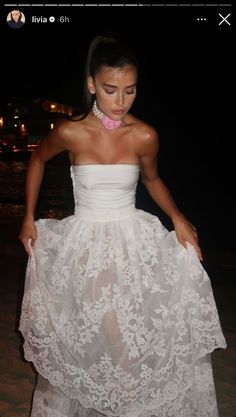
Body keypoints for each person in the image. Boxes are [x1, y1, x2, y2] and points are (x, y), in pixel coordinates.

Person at [19, 35, 226, 417]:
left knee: (135, 328)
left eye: (130, 91)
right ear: (91, 84)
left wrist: (178, 218)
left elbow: (152, 180)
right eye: (111, 90)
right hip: (86, 242)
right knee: (102, 329)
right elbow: (37, 161)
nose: (120, 100)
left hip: (133, 238)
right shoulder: (70, 131)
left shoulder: (144, 135)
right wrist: (28, 216)